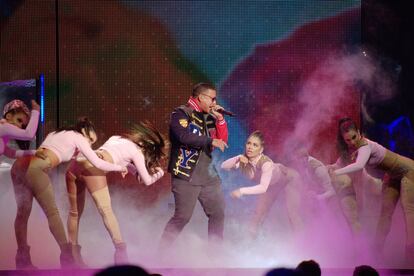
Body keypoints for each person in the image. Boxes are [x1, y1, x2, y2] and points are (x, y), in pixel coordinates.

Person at [11, 117, 127, 269]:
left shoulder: (55, 134)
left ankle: (22, 259)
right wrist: (120, 168)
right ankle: (67, 258)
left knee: (22, 214)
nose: (90, 144)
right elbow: (96, 163)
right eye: (90, 140)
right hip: (35, 168)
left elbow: (60, 153)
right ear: (85, 132)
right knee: (53, 213)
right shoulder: (78, 138)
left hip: (19, 165)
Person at [66, 121, 168, 265]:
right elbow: (147, 181)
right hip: (92, 168)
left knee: (74, 213)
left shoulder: (116, 138)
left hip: (77, 163)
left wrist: (132, 169)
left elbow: (124, 163)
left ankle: (70, 256)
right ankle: (121, 251)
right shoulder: (137, 153)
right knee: (106, 211)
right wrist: (160, 173)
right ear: (147, 148)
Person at [330, 117, 414, 261]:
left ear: (358, 132)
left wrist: (335, 173)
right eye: (348, 140)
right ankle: (376, 255)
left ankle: (410, 256)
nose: (352, 142)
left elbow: (359, 166)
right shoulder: (357, 150)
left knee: (409, 210)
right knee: (385, 214)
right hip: (392, 175)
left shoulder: (365, 146)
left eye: (354, 137)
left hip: (408, 170)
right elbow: (345, 165)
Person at [159, 82, 228, 250]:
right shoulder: (181, 113)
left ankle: (215, 253)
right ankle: (161, 254)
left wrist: (220, 120)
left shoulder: (209, 117)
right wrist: (210, 140)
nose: (214, 102)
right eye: (212, 98)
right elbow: (183, 136)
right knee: (182, 217)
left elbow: (222, 142)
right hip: (186, 174)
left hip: (208, 175)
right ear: (201, 97)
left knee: (218, 214)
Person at [221, 131, 304, 238]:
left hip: (290, 179)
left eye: (255, 145)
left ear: (261, 150)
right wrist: (237, 158)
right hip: (272, 185)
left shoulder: (266, 163)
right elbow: (224, 166)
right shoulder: (243, 159)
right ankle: (250, 246)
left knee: (292, 214)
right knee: (257, 215)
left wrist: (241, 191)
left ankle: (302, 245)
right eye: (249, 143)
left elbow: (263, 188)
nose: (250, 147)